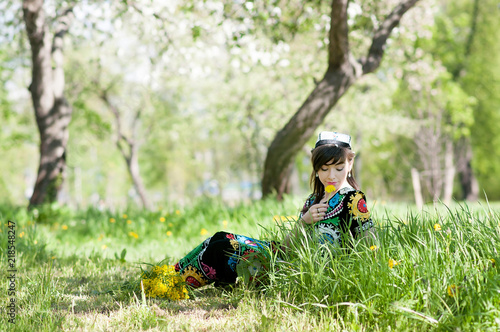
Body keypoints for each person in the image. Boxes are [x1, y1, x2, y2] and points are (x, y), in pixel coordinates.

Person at [165, 131, 376, 291]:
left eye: (338, 168)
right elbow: (288, 247)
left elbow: (369, 241)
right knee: (221, 238)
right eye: (324, 169)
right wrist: (304, 221)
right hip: (284, 257)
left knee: (221, 250)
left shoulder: (353, 199)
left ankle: (174, 287)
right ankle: (171, 274)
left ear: (350, 162)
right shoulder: (314, 199)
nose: (331, 175)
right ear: (316, 167)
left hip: (298, 271)